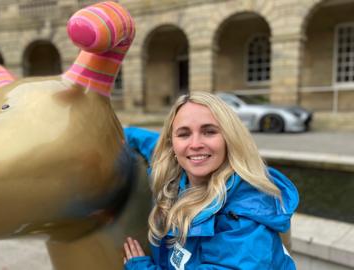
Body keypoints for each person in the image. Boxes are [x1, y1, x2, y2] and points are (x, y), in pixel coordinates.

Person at [122, 92, 299, 269]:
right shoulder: (175, 171)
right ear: (172, 144)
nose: (195, 144)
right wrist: (119, 135)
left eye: (209, 132)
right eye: (184, 134)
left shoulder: (244, 215)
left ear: (229, 138)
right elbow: (151, 142)